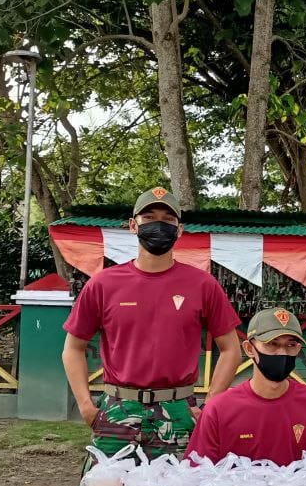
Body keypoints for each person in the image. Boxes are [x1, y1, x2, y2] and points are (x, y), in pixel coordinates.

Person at [62, 187, 243, 466]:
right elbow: (73, 347)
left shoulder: (202, 285)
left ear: (180, 230)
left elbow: (231, 348)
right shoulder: (103, 284)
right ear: (133, 225)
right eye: (149, 217)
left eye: (168, 220)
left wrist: (210, 406)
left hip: (179, 411)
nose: (158, 225)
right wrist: (86, 405)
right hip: (118, 410)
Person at [187, 307, 306, 467]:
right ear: (249, 349)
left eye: (291, 345)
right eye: (272, 344)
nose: (282, 353)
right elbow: (196, 472)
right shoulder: (218, 410)